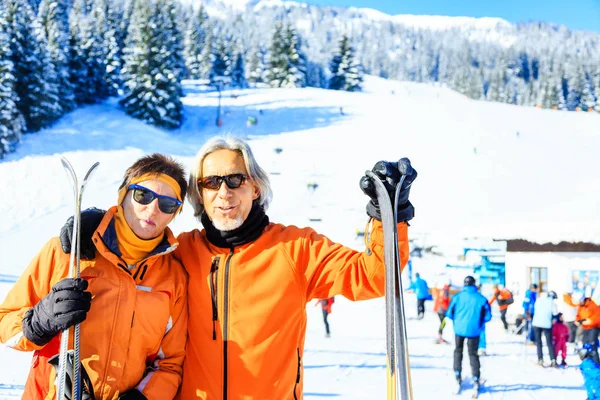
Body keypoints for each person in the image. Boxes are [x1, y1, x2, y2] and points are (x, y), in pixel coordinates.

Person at [59, 136, 418, 399]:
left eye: (235, 179)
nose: (224, 192)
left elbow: (375, 276)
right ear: (200, 195)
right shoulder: (181, 251)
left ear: (256, 187)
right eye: (211, 182)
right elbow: (136, 243)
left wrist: (388, 217)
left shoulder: (295, 249)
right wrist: (97, 222)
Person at [0, 154, 189, 399]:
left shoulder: (173, 279)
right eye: (143, 195)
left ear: (175, 213)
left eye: (167, 204)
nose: (152, 209)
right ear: (123, 196)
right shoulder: (67, 252)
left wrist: (145, 397)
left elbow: (170, 364)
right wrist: (38, 322)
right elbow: (5, 325)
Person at [446, 275, 492, 391]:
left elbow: (449, 313)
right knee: (473, 354)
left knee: (458, 351)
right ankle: (476, 377)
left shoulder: (457, 297)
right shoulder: (481, 298)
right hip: (474, 330)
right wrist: (479, 322)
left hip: (459, 330)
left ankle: (457, 374)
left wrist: (457, 321)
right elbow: (488, 316)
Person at [532, 290, 558, 367]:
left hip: (536, 323)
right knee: (549, 342)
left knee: (539, 342)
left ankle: (540, 359)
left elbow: (534, 310)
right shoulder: (552, 303)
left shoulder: (539, 300)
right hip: (546, 324)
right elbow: (555, 313)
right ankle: (553, 360)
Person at [576, 297, 600, 365]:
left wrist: (590, 322)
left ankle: (597, 364)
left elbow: (598, 317)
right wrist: (579, 321)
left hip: (594, 327)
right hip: (585, 327)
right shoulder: (581, 306)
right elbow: (578, 316)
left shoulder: (592, 305)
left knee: (592, 344)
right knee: (585, 345)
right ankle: (588, 363)